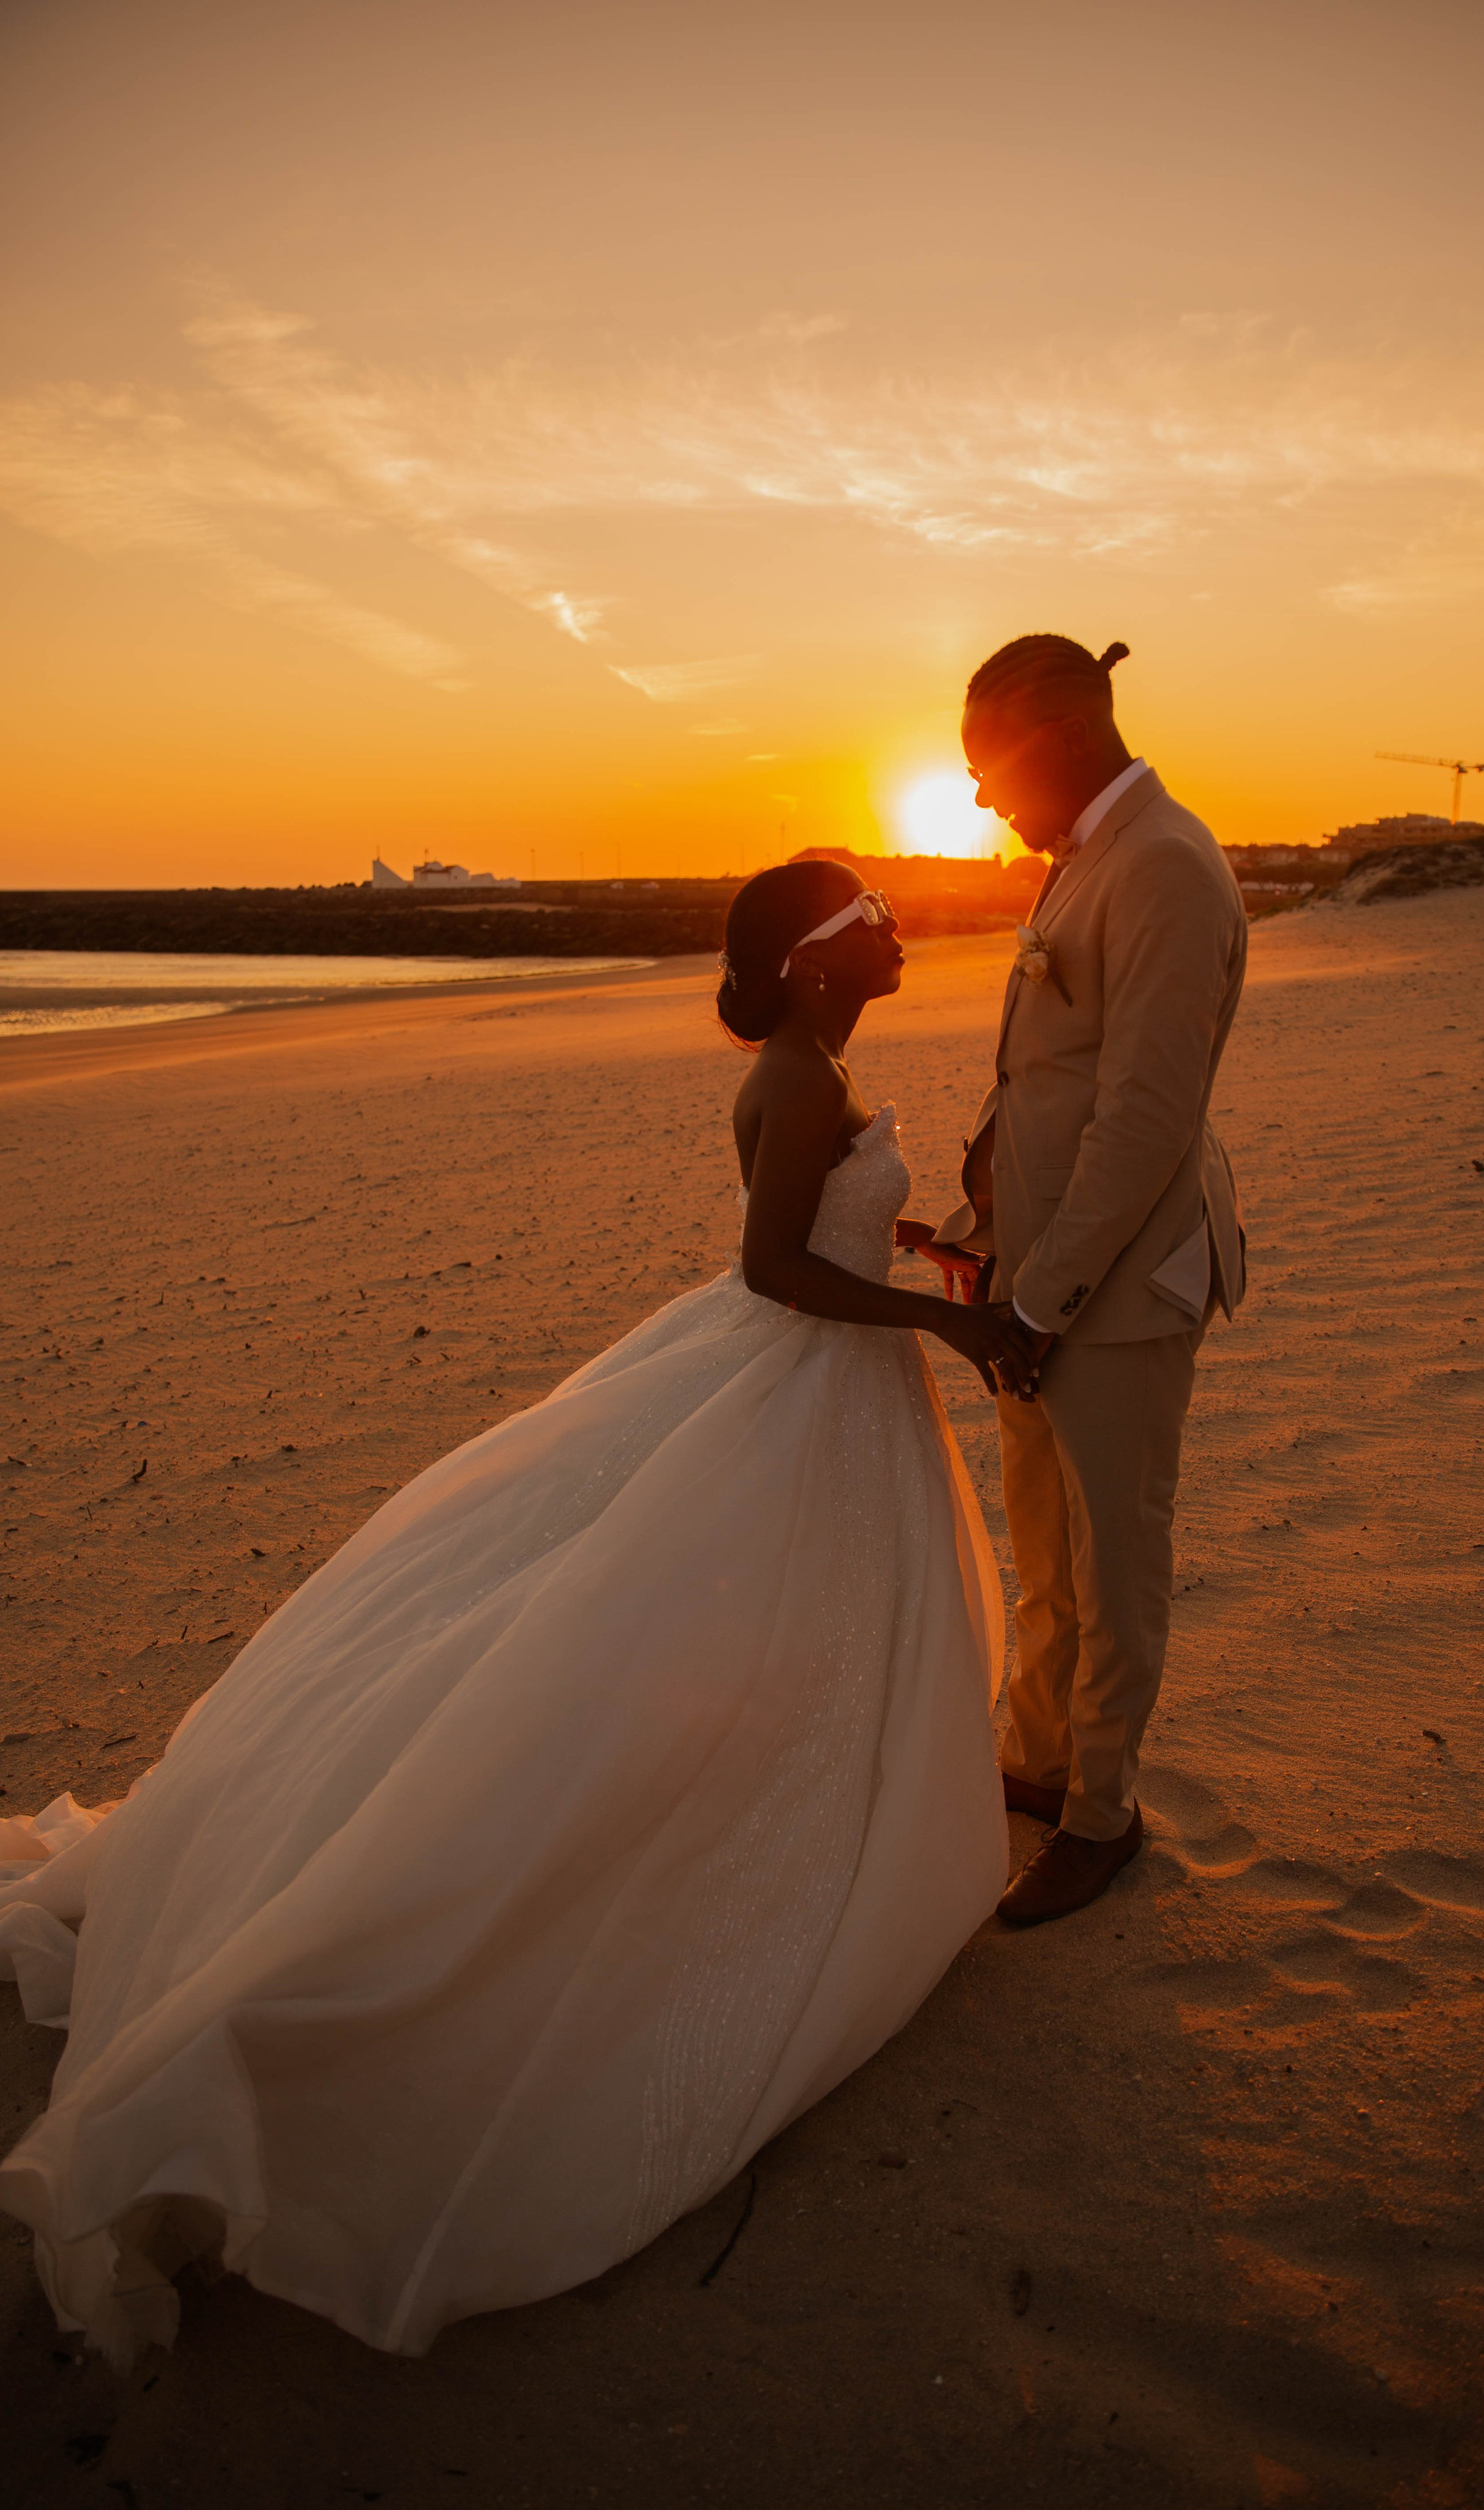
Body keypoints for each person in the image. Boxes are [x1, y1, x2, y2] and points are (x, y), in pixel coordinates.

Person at [0, 859, 1037, 2365]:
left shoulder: (818, 1061)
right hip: (792, 1387)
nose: (893, 929)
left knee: (778, 1634)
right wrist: (944, 1319)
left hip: (823, 1386)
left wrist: (912, 1248)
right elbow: (767, 1273)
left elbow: (814, 1234)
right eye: (867, 917)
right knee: (674, 1636)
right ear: (813, 963)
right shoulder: (804, 1078)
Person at [931, 635, 1247, 1927]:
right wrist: (977, 1228)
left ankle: (1103, 1816)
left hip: (1112, 1291)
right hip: (1033, 1278)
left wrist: (1038, 1298)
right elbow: (1046, 1089)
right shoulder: (1081, 864)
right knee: (1045, 1551)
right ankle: (1043, 1760)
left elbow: (1143, 1123)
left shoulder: (1164, 868)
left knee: (1115, 1561)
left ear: (1054, 741)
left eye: (985, 772)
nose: (982, 801)